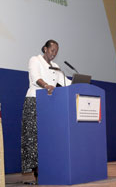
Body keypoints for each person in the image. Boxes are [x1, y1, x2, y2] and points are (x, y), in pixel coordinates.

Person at [21, 39, 71, 183]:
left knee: (49, 138)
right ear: (45, 49)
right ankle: (37, 174)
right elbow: (36, 78)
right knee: (34, 139)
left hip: (50, 105)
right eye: (52, 50)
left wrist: (79, 85)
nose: (54, 54)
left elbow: (66, 83)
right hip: (35, 101)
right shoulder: (35, 60)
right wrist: (46, 85)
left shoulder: (56, 67)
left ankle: (50, 169)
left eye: (56, 51)